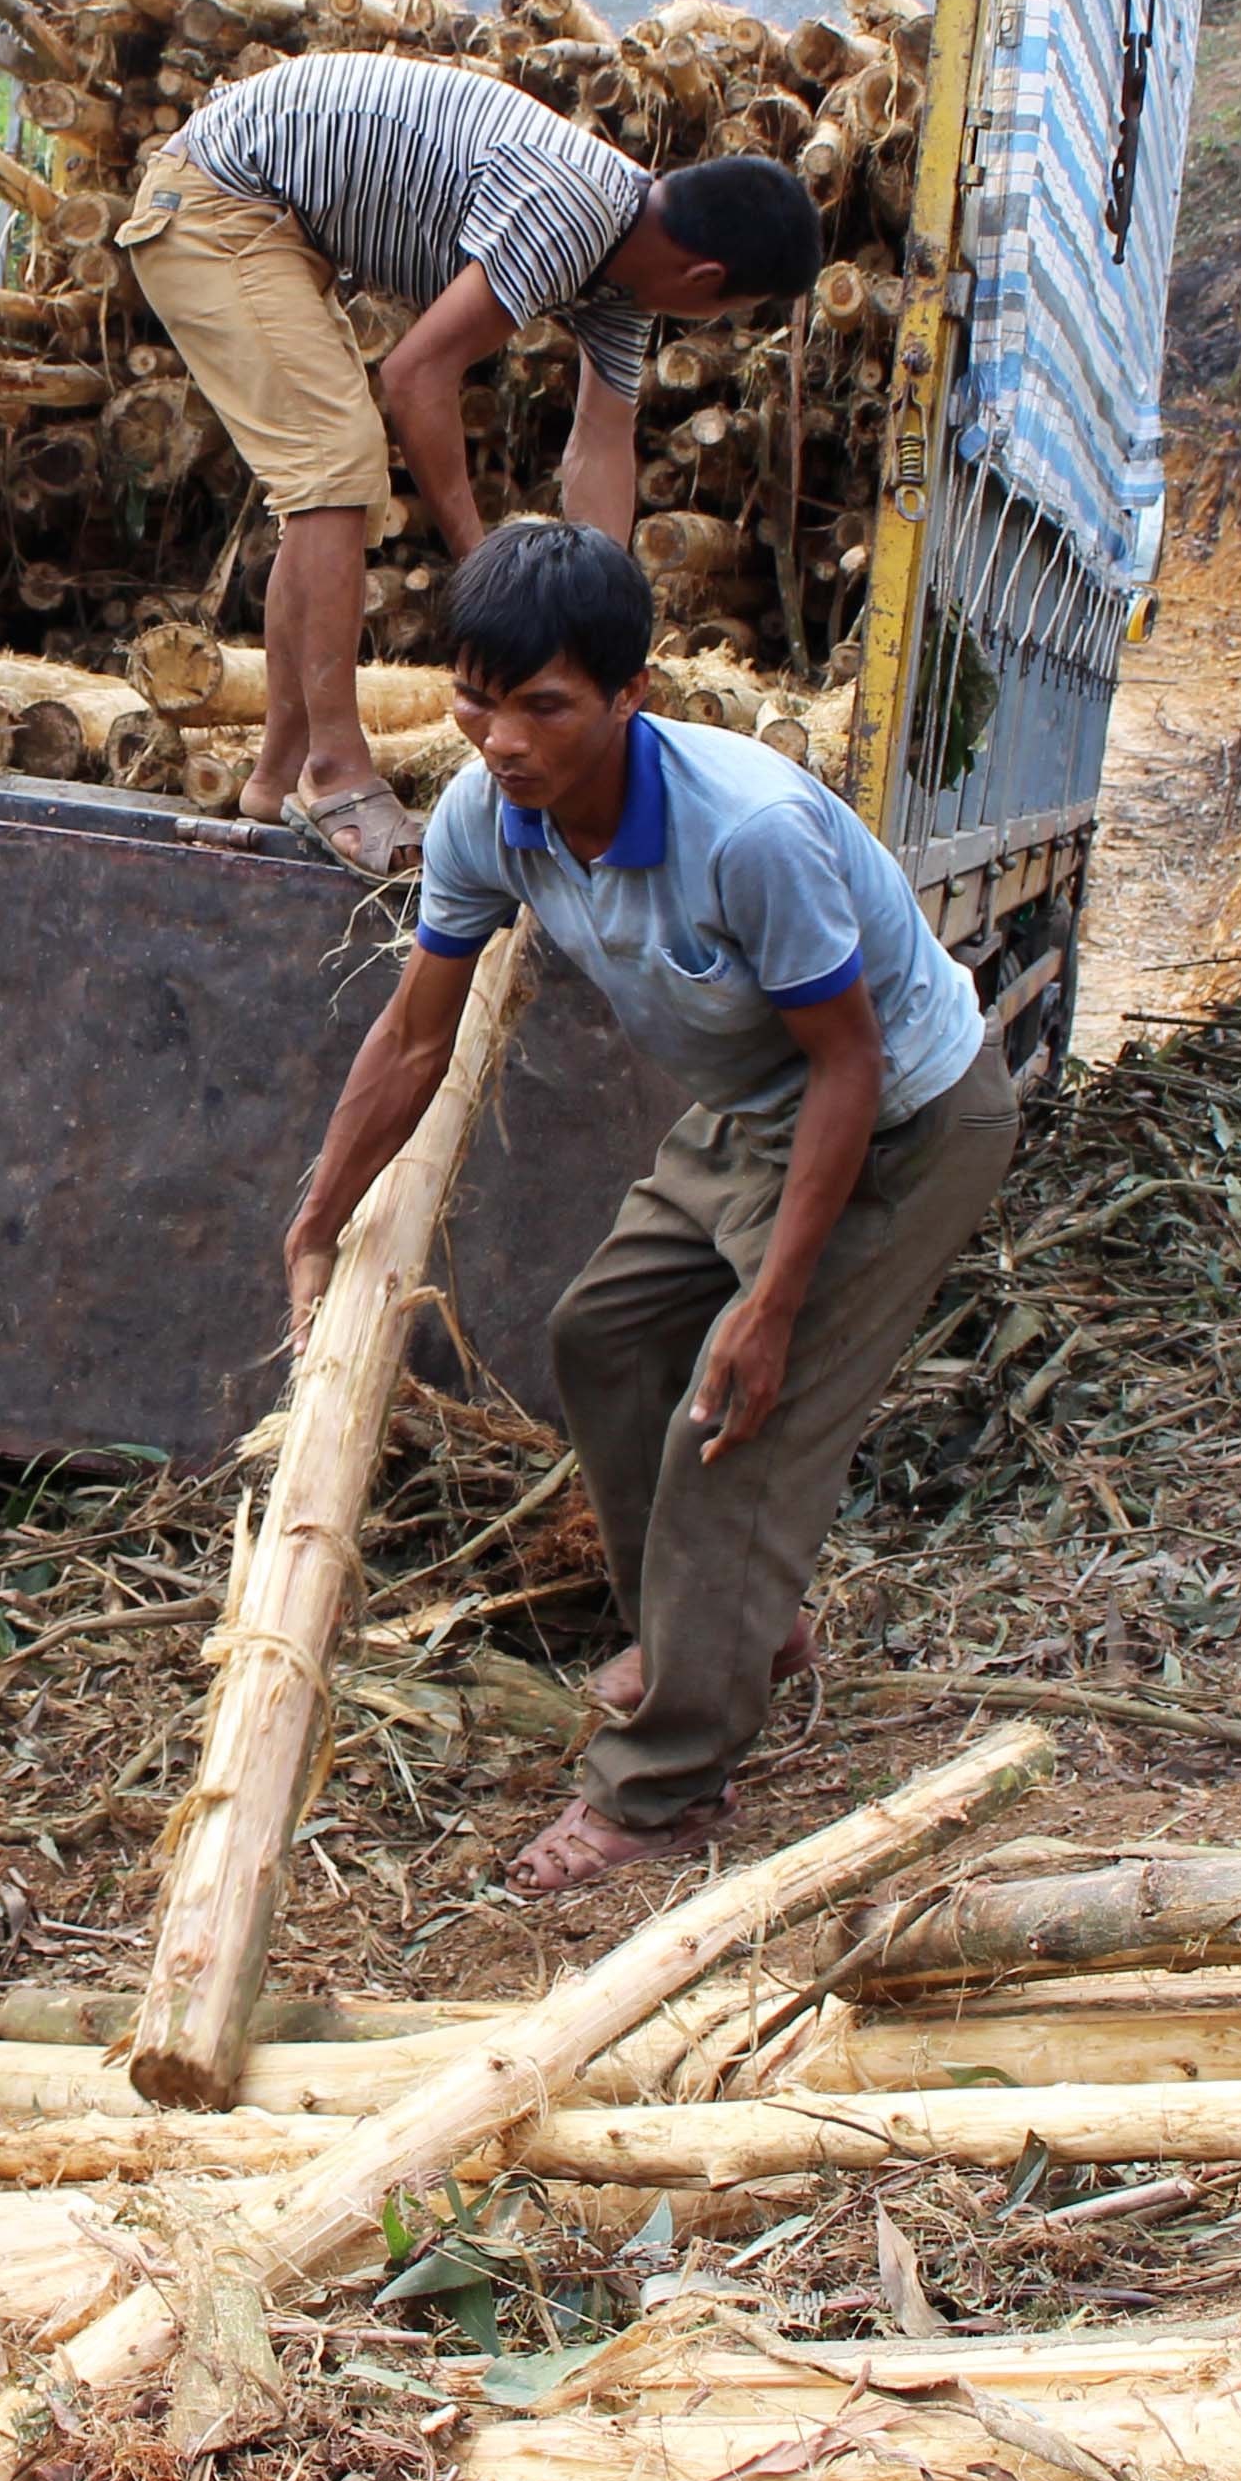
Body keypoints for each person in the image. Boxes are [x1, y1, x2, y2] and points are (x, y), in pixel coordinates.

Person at [283, 523, 1023, 1897]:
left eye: (545, 706)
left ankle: (660, 1789)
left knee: (735, 1427)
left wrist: (771, 1307)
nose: (501, 738)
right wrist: (320, 1214)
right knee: (604, 1338)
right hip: (755, 1107)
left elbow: (850, 1065)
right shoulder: (483, 814)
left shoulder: (749, 833)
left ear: (633, 699)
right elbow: (412, 1039)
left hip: (904, 1116)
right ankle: (726, 1626)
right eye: (474, 699)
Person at [122, 48, 821, 876]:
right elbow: (416, 373)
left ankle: (278, 776)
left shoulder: (625, 275)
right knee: (336, 468)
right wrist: (484, 569)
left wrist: (589, 627)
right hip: (219, 197)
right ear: (705, 277)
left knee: (329, 479)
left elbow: (603, 439)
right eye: (729, 309)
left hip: (270, 219)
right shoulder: (577, 209)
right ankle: (335, 770)